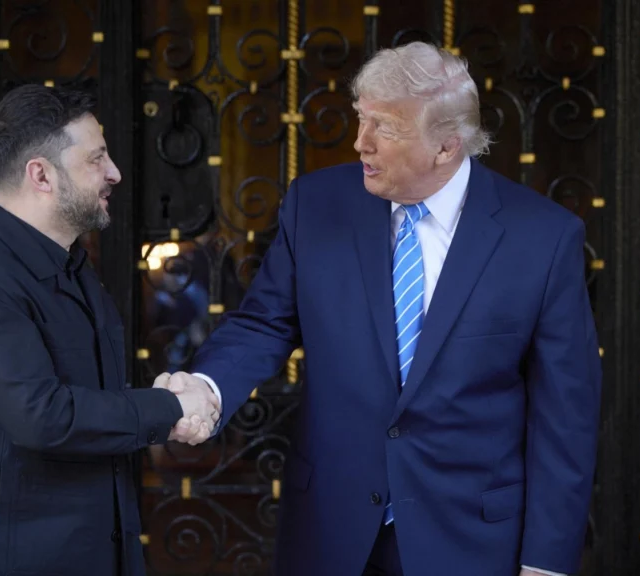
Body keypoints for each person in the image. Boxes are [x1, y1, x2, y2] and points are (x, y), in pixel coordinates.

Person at [165, 42, 601, 576]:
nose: (360, 142)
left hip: (471, 541)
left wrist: (547, 562)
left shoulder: (544, 237)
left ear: (447, 146)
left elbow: (566, 413)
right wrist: (207, 389)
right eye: (361, 118)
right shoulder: (315, 204)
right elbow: (263, 324)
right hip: (330, 532)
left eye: (385, 128)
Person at [0, 85, 219, 576]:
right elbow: (45, 416)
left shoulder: (73, 266)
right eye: (96, 159)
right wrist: (169, 407)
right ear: (41, 174)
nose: (114, 173)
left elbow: (89, 400)